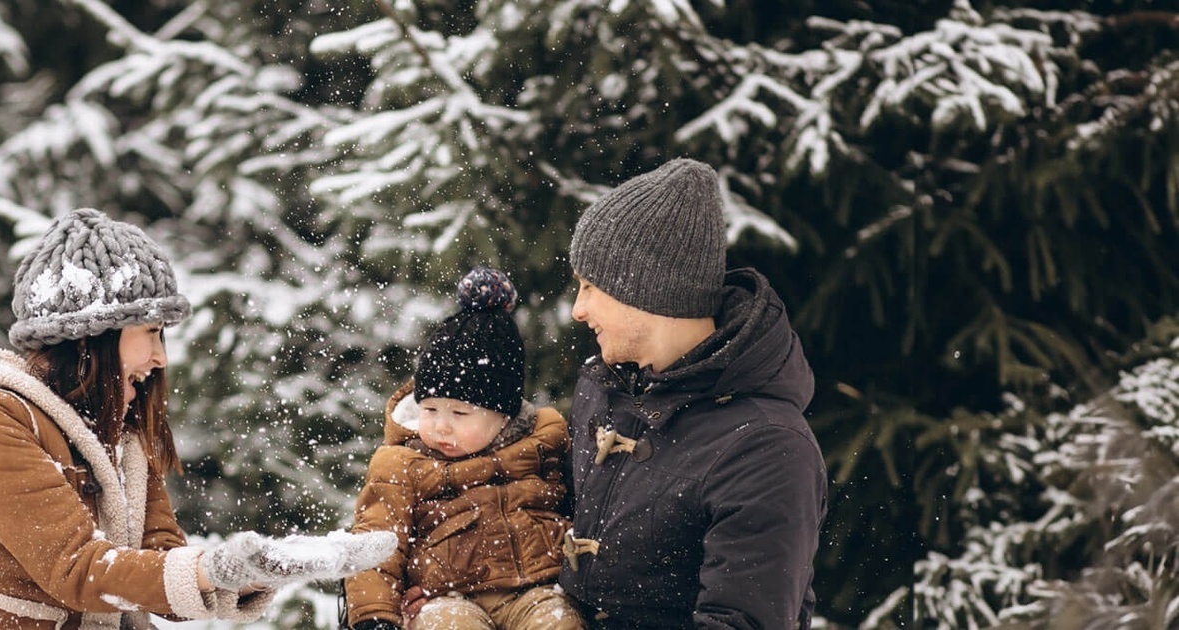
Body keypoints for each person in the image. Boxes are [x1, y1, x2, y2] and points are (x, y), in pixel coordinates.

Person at [0, 208, 395, 630]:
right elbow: (79, 569)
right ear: (92, 335)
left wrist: (256, 569)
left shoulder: (116, 435)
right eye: (150, 331)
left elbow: (157, 564)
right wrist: (212, 569)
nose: (160, 356)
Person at [556, 158, 827, 628]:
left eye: (590, 286)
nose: (578, 310)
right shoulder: (604, 388)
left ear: (644, 289)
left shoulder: (767, 448)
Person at [345, 267, 582, 630]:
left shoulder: (543, 444)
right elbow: (375, 540)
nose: (441, 426)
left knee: (559, 623)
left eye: (459, 413)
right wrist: (375, 615)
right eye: (429, 410)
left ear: (503, 415)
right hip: (446, 599)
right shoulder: (403, 463)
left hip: (536, 592)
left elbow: (584, 508)